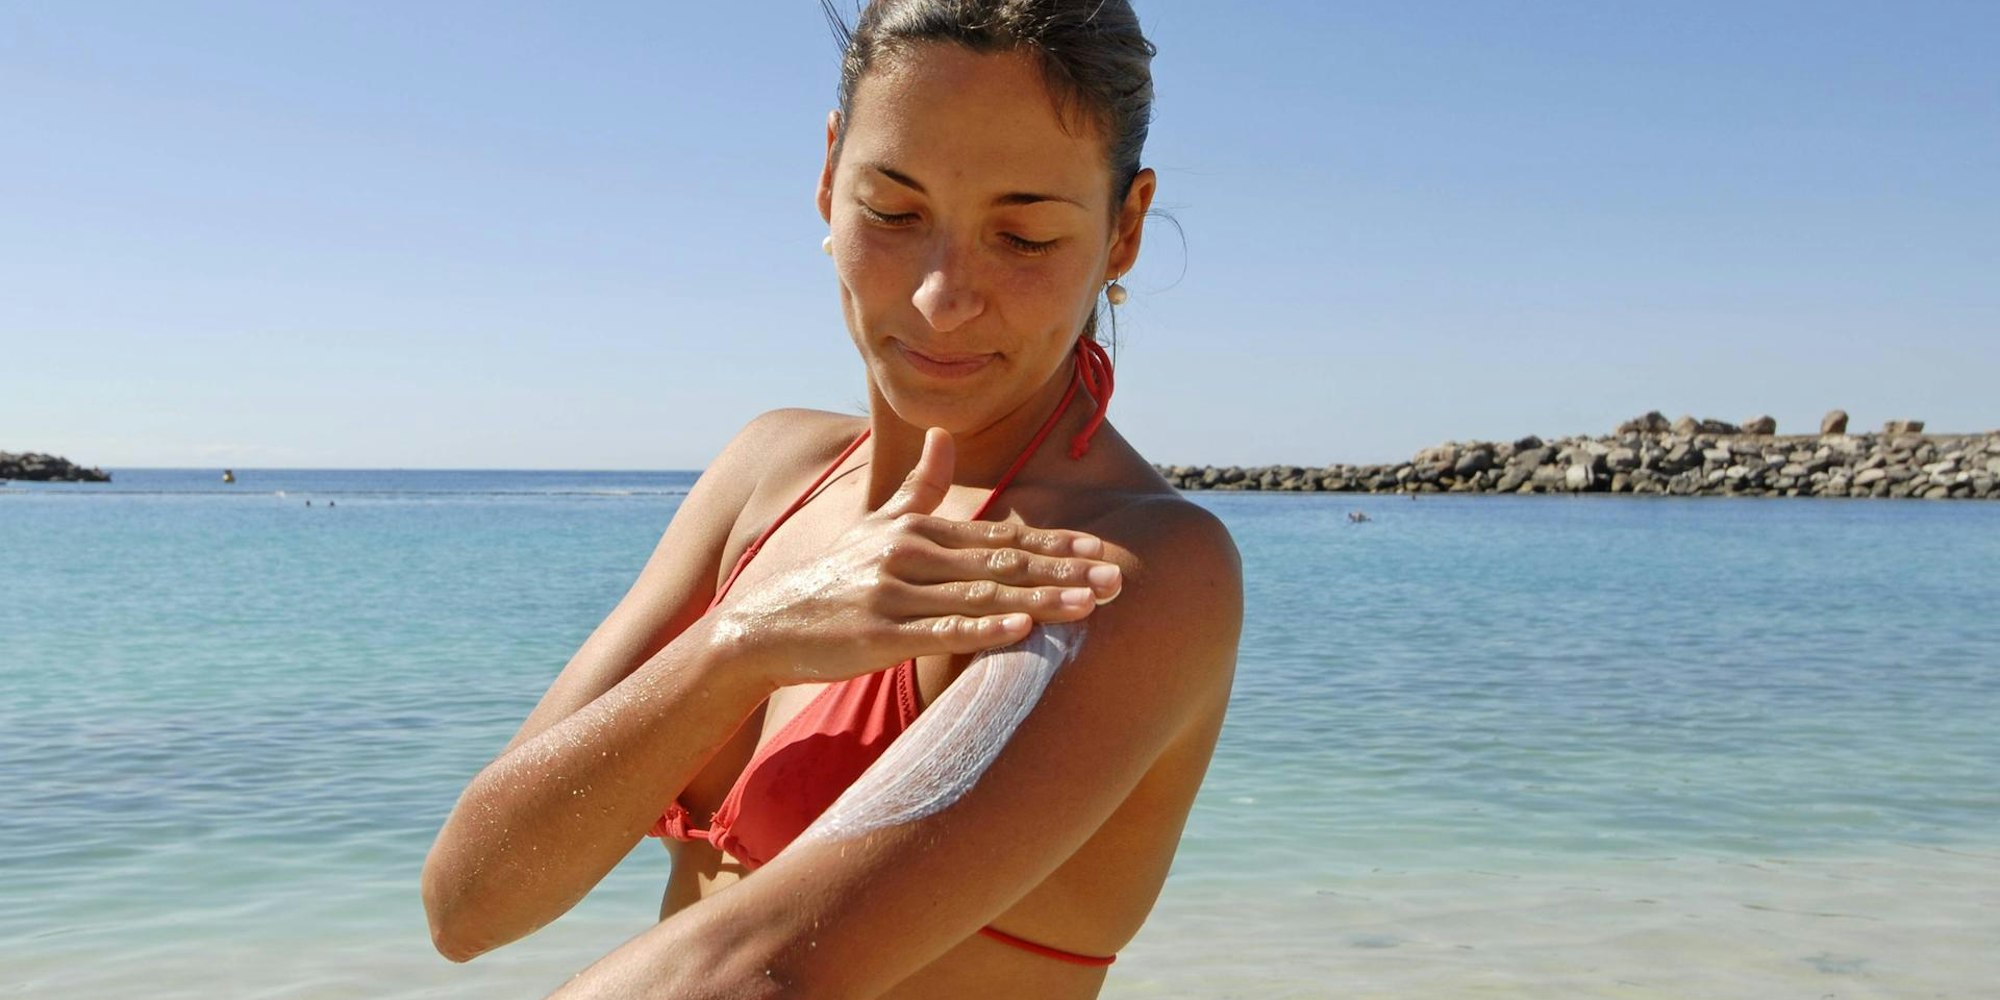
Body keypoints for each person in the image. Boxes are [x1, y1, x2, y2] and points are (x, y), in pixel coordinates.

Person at [421, 3, 1241, 997]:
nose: (942, 297)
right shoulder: (769, 476)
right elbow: (468, 902)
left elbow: (757, 968)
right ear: (825, 176)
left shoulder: (1127, 569)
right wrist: (745, 643)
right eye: (893, 213)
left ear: (1124, 230)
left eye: (1022, 236)